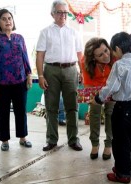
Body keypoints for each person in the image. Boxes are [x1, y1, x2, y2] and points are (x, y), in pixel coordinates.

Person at [92, 32, 131, 183]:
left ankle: (123, 174)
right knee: (127, 141)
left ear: (117, 49)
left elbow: (112, 87)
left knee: (119, 142)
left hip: (122, 108)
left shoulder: (119, 65)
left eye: (112, 51)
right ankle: (122, 167)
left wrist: (98, 98)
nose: (113, 54)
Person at [36, 0, 83, 152]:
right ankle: (51, 140)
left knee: (72, 107)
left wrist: (82, 72)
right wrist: (41, 76)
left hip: (71, 70)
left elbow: (80, 55)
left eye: (65, 12)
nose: (63, 15)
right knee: (51, 107)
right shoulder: (45, 32)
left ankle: (73, 140)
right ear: (52, 14)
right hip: (51, 71)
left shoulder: (74, 32)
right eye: (59, 12)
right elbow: (40, 55)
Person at [0, 9, 32, 151]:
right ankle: (4, 140)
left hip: (20, 81)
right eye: (4, 19)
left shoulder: (19, 38)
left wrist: (29, 75)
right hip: (1, 83)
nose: (8, 21)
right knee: (2, 111)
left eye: (10, 18)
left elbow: (25, 57)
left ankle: (23, 137)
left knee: (21, 110)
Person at [82, 38, 115, 160]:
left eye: (106, 50)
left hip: (111, 88)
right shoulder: (85, 62)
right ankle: (95, 144)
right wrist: (95, 98)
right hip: (94, 89)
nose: (106, 55)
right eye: (100, 55)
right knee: (94, 114)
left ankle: (109, 145)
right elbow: (88, 84)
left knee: (110, 114)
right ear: (93, 58)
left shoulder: (115, 57)